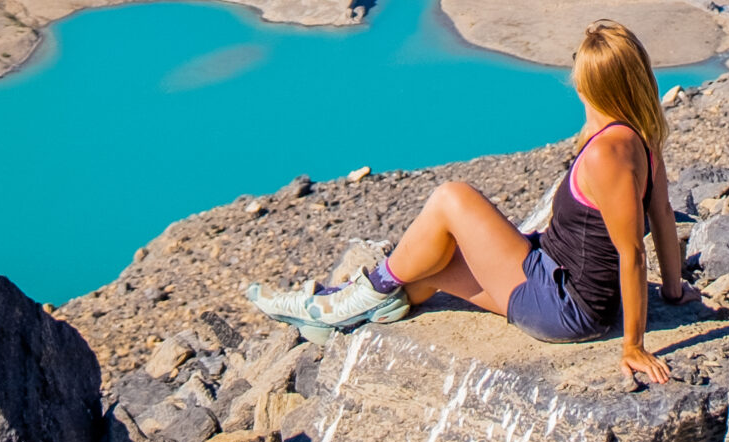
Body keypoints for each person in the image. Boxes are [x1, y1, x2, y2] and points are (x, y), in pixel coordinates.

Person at [247, 20, 688, 383]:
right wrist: (673, 290)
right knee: (429, 267)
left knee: (451, 199)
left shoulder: (607, 155)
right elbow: (663, 216)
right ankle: (343, 315)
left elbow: (631, 252)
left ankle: (346, 301)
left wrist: (634, 346)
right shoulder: (640, 139)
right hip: (561, 283)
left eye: (579, 67)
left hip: (566, 305)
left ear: (593, 83)